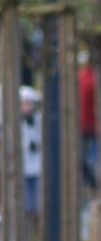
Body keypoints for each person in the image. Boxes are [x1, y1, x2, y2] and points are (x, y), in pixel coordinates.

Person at [20, 86, 43, 225]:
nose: (27, 107)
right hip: (23, 169)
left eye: (29, 104)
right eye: (25, 104)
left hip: (37, 168)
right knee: (26, 203)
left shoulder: (39, 121)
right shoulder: (17, 123)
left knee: (37, 202)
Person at [79, 53, 98, 191]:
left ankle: (90, 184)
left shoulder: (80, 77)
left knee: (85, 158)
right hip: (91, 125)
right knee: (90, 159)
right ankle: (92, 184)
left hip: (83, 124)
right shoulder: (95, 79)